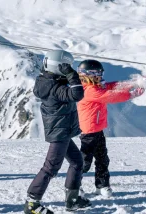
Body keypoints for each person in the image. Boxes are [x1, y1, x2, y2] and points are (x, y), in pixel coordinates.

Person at [24, 50, 91, 214]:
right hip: (59, 133)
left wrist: (67, 74)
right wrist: (72, 75)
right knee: (51, 168)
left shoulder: (47, 81)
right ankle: (32, 204)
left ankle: (72, 200)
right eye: (68, 66)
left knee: (77, 162)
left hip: (63, 131)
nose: (70, 69)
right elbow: (77, 94)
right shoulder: (55, 88)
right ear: (60, 67)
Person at [76, 59, 145, 197]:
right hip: (88, 132)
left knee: (102, 159)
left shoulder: (96, 87)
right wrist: (131, 94)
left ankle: (102, 186)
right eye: (97, 74)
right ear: (88, 75)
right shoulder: (89, 91)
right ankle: (74, 186)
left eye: (101, 73)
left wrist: (132, 83)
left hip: (98, 130)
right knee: (84, 162)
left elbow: (111, 86)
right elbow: (111, 95)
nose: (100, 77)